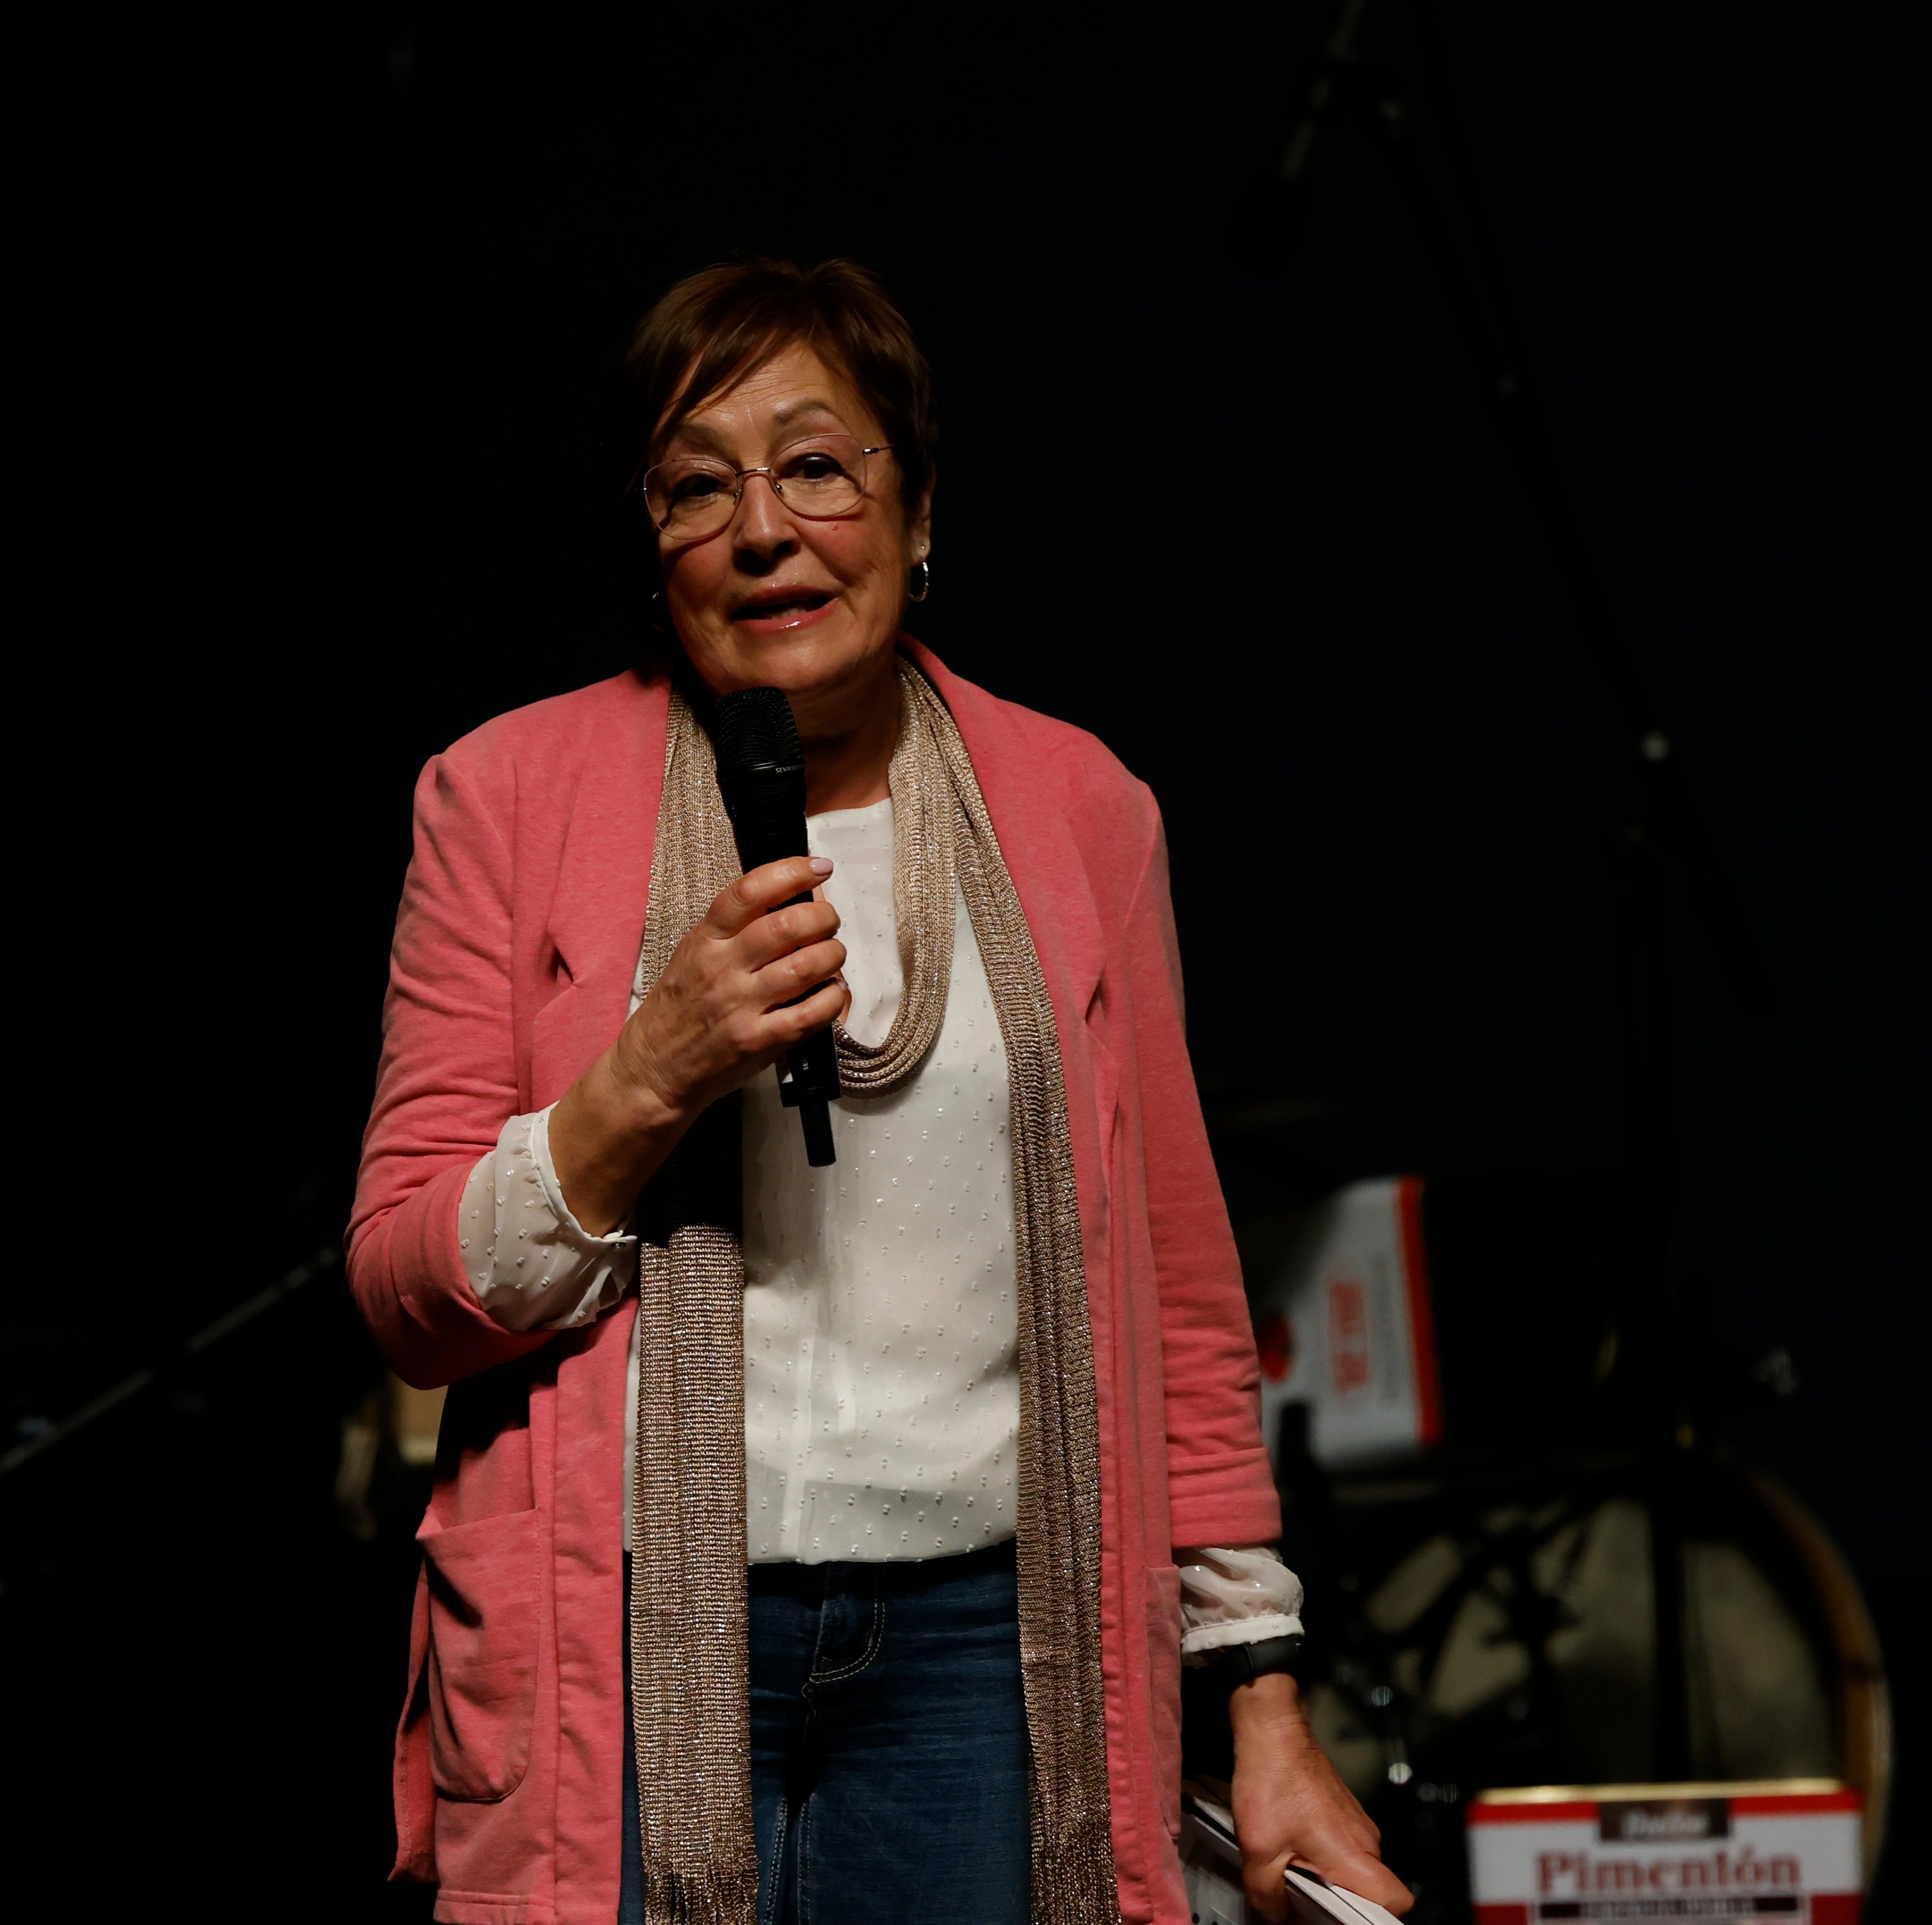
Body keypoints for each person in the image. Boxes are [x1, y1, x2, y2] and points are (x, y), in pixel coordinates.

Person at [348, 255, 1409, 1925]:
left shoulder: (1084, 807)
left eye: (818, 465)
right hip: (624, 1639)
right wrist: (649, 1072)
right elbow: (407, 1294)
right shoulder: (503, 799)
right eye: (697, 486)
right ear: (652, 549)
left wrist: (1260, 1703)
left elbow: (1184, 1306)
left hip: (985, 1657)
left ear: (917, 512)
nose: (762, 528)